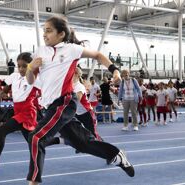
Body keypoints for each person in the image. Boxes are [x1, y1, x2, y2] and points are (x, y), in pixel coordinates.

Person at [25, 16, 134, 185]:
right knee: (82, 143)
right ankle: (115, 155)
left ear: (61, 34)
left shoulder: (71, 49)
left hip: (64, 102)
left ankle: (33, 183)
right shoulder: (40, 51)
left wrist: (115, 71)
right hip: (50, 106)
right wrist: (31, 68)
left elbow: (98, 55)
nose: (44, 34)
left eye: (49, 30)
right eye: (43, 30)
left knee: (36, 138)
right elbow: (30, 80)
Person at [0, 52, 60, 178]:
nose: (21, 69)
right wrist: (0, 94)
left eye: (24, 66)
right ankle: (63, 139)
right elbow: (6, 88)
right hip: (18, 111)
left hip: (27, 112)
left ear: (31, 66)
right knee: (33, 142)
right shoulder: (14, 76)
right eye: (19, 66)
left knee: (1, 131)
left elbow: (49, 87)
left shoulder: (35, 79)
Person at [73, 67, 101, 140]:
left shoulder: (79, 86)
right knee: (78, 133)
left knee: (94, 135)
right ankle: (82, 145)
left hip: (87, 113)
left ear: (76, 75)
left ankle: (107, 149)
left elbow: (75, 100)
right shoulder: (71, 86)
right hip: (78, 114)